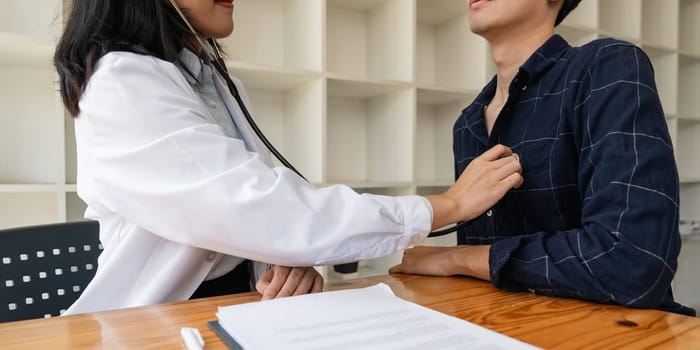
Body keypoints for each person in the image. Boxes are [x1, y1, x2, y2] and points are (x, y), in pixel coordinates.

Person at [52, 0, 523, 314]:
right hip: (152, 324)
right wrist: (448, 206)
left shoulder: (206, 79)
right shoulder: (123, 82)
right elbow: (249, 206)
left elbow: (250, 213)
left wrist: (280, 264)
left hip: (230, 310)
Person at [391, 0, 695, 316]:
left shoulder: (606, 67)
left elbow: (633, 262)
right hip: (508, 330)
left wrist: (458, 258)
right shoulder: (467, 124)